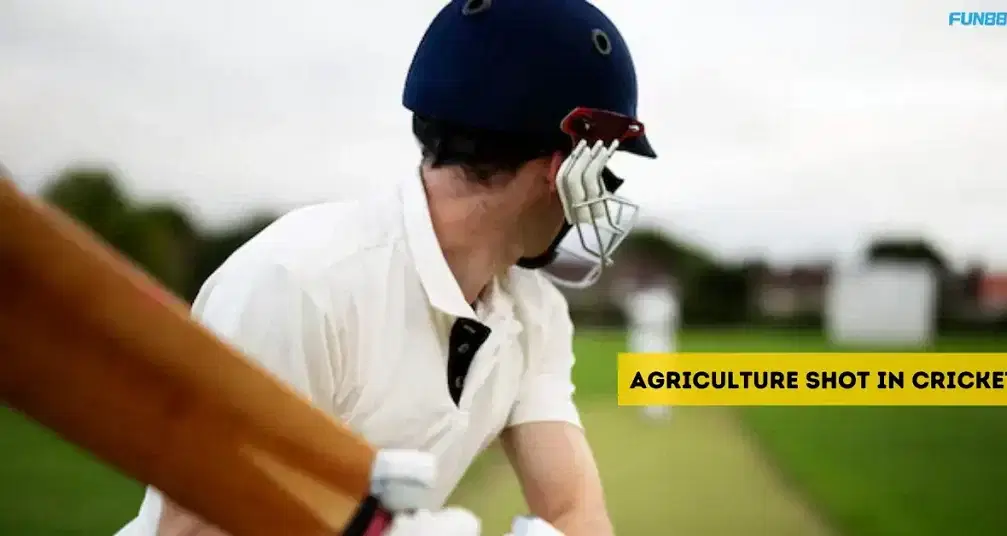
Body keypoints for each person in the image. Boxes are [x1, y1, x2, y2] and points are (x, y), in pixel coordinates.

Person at [116, 0, 655, 534]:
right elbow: (193, 529)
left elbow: (574, 511)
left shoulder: (535, 311)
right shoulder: (300, 282)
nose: (601, 197)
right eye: (604, 171)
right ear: (564, 168)